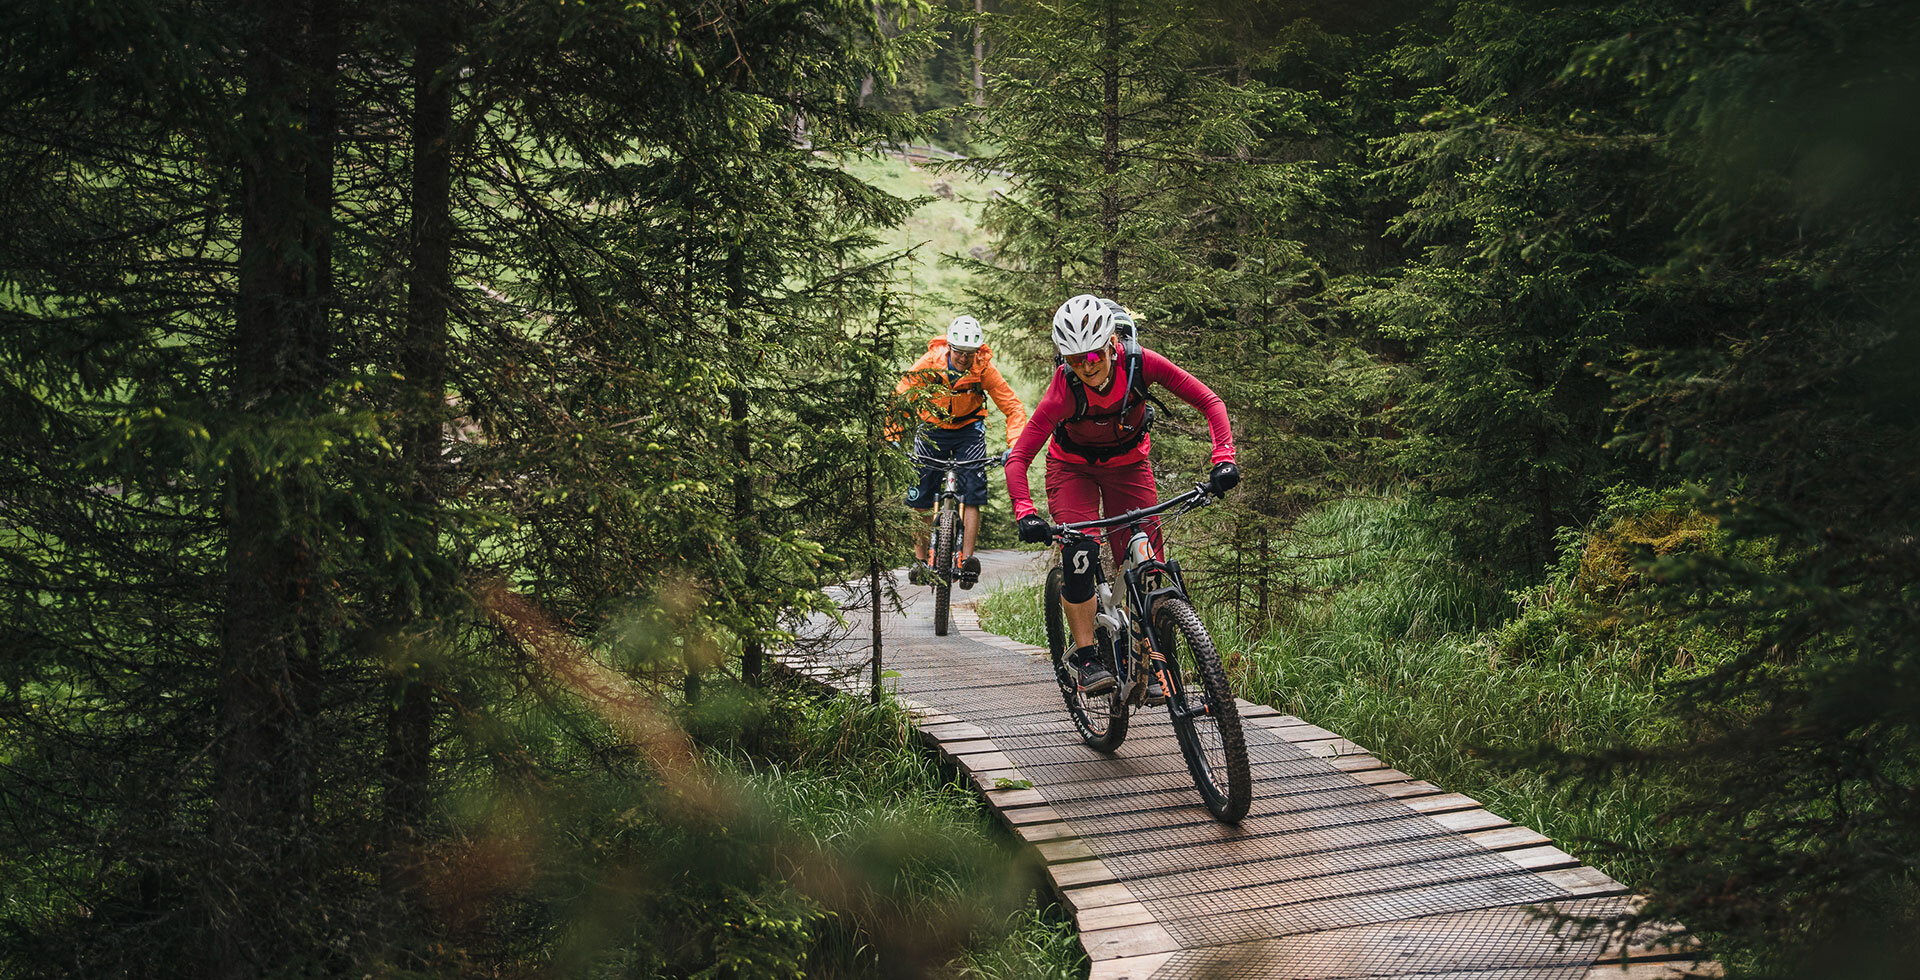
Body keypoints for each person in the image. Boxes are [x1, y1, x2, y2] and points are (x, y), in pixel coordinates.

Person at [1006, 294, 1239, 694]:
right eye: (1075, 361)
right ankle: (1086, 658)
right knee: (1079, 554)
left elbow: (1209, 401)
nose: (1087, 368)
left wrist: (1224, 458)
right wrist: (1025, 510)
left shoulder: (1142, 363)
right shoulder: (1064, 388)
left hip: (1128, 467)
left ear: (1112, 343)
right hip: (1072, 469)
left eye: (1094, 356)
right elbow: (1020, 456)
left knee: (1150, 566)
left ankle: (1147, 659)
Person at [893, 314, 1029, 588]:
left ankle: (967, 561)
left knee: (973, 490)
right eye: (959, 352)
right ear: (950, 348)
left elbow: (1013, 407)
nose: (965, 359)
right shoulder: (930, 363)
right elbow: (901, 394)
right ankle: (920, 561)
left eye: (970, 353)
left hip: (969, 429)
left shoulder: (984, 368)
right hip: (933, 426)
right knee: (920, 493)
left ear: (977, 351)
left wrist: (1014, 445)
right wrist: (893, 435)